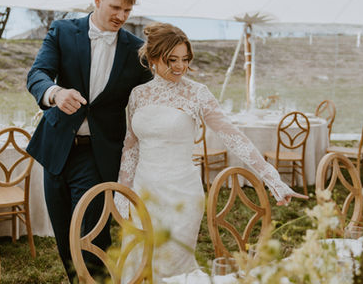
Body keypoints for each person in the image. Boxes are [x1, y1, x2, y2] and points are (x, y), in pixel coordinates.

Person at [116, 22, 307, 282]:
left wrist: (271, 177)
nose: (180, 67)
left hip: (181, 194)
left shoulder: (197, 94)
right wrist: (123, 193)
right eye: (171, 59)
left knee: (172, 269)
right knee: (138, 265)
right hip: (143, 191)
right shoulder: (138, 95)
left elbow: (233, 136)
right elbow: (131, 147)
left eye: (185, 59)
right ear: (152, 58)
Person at [26, 0, 153, 281]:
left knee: (91, 237)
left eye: (127, 10)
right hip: (56, 149)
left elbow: (154, 92)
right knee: (63, 234)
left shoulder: (137, 49)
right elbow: (37, 74)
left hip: (98, 155)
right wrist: (55, 93)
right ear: (97, 0)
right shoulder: (62, 30)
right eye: (115, 7)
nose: (122, 16)